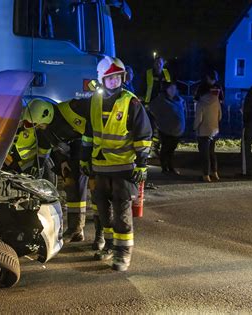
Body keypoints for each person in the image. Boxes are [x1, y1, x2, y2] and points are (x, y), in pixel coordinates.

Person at [81, 56, 152, 271]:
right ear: (102, 79)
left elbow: (144, 134)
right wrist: (85, 160)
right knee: (103, 211)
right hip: (100, 167)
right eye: (110, 78)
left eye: (117, 78)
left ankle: (123, 254)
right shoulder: (94, 100)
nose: (114, 81)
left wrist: (141, 164)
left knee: (122, 214)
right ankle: (110, 246)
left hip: (124, 167)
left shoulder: (131, 102)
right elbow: (88, 134)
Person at [35, 99, 91, 243]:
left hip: (90, 147)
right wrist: (63, 162)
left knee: (99, 193)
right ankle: (75, 229)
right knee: (71, 184)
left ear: (47, 116)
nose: (41, 127)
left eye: (41, 124)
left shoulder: (74, 108)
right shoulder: (46, 127)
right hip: (76, 149)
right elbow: (55, 146)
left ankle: (101, 236)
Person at [4, 99, 54, 176]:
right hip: (12, 157)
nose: (26, 125)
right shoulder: (19, 118)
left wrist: (36, 168)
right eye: (25, 122)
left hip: (27, 164)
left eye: (31, 124)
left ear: (40, 124)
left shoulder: (44, 136)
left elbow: (42, 156)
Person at [149, 81, 186, 174]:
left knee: (171, 150)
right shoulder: (161, 100)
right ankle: (165, 167)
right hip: (165, 130)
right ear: (166, 89)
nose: (173, 90)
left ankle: (170, 167)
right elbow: (152, 108)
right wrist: (161, 119)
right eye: (170, 88)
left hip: (177, 131)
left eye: (174, 88)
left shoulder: (179, 100)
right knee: (165, 149)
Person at [194, 70, 223, 182]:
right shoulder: (217, 99)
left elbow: (198, 118)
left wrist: (195, 127)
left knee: (204, 154)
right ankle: (215, 173)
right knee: (212, 152)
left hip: (203, 130)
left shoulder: (201, 102)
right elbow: (220, 115)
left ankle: (206, 175)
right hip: (214, 129)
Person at [141, 56, 172, 159]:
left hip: (163, 105)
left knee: (160, 129)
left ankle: (155, 149)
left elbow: (170, 88)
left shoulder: (166, 73)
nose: (158, 64)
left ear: (163, 64)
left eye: (160, 63)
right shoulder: (148, 73)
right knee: (149, 128)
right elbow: (143, 87)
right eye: (157, 63)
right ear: (154, 64)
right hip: (149, 105)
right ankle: (147, 150)